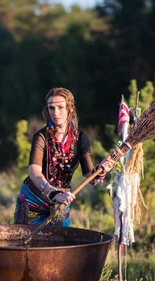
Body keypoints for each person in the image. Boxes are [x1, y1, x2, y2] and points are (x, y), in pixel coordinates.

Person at [14, 87, 109, 226]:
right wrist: (52, 193)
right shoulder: (41, 136)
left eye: (60, 107)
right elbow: (34, 172)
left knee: (59, 243)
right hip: (33, 200)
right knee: (27, 243)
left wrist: (100, 170)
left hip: (61, 202)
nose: (55, 113)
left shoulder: (81, 138)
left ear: (70, 108)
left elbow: (91, 177)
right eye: (51, 108)